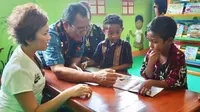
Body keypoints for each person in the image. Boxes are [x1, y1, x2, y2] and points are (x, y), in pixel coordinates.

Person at [0, 3, 92, 112]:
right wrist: (69, 92)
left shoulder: (32, 53)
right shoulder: (19, 70)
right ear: (29, 39)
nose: (49, 37)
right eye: (45, 34)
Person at [41, 3, 119, 87]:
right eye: (81, 29)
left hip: (65, 69)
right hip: (45, 71)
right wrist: (95, 77)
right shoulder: (52, 34)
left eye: (87, 27)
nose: (84, 33)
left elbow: (76, 57)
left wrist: (73, 64)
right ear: (66, 25)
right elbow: (58, 69)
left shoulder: (82, 32)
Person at [139, 16, 187, 96]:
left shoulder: (178, 56)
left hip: (175, 96)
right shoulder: (151, 53)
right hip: (156, 95)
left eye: (154, 41)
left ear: (169, 40)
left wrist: (151, 82)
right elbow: (145, 75)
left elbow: (175, 82)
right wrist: (150, 64)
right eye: (149, 40)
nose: (150, 46)